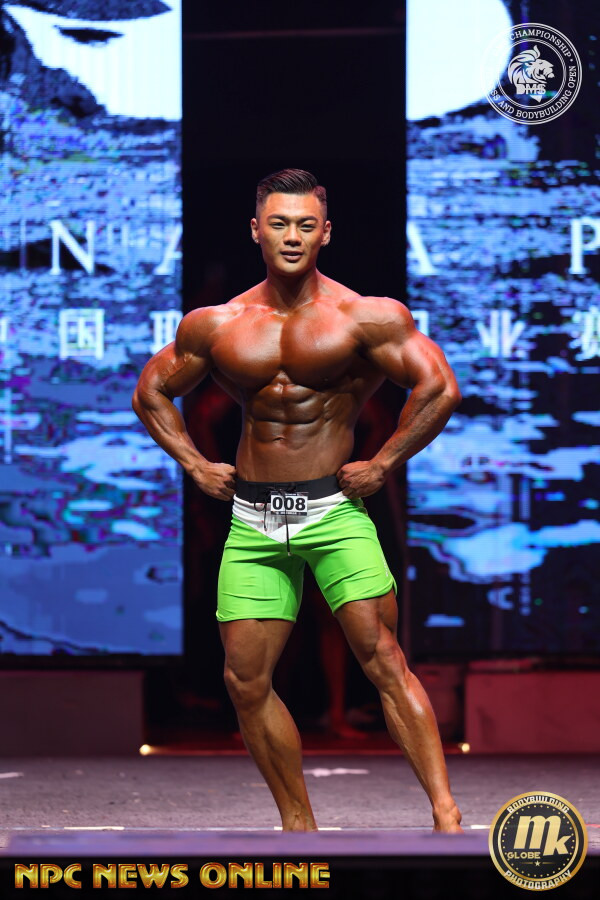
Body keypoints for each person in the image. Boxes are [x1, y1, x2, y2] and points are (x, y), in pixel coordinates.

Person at [132, 168, 463, 833]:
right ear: (256, 230)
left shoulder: (366, 316)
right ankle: (298, 826)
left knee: (383, 660)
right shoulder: (218, 325)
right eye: (279, 224)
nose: (292, 236)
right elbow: (150, 392)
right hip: (255, 519)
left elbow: (440, 388)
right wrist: (194, 464)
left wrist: (384, 461)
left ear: (325, 233)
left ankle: (446, 816)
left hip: (333, 511)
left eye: (306, 225)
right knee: (244, 681)